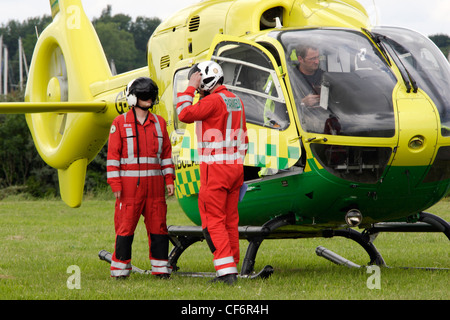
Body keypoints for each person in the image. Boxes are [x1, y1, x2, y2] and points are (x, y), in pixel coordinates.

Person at [176, 61, 248, 285]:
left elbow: (183, 114)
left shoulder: (212, 101)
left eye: (198, 83)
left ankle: (226, 273)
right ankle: (233, 266)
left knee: (213, 221)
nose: (197, 89)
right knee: (229, 221)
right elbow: (244, 136)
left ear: (206, 80)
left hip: (215, 170)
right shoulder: (235, 100)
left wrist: (189, 87)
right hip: (235, 169)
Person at [106, 77, 175, 279]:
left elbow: (166, 156)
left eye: (151, 96)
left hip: (155, 189)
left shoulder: (160, 123)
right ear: (133, 99)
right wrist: (115, 183)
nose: (149, 100)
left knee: (159, 228)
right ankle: (120, 271)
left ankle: (161, 270)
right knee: (125, 228)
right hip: (128, 190)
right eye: (144, 96)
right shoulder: (119, 123)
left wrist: (169, 180)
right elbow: (112, 158)